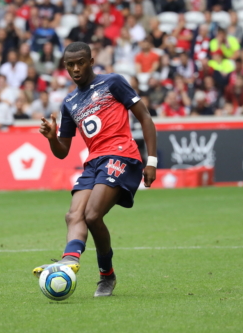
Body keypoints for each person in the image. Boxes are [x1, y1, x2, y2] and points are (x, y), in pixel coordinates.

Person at [34, 42, 157, 297]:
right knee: (73, 215)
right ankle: (68, 261)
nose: (75, 69)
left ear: (91, 61)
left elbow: (145, 117)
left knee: (91, 215)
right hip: (94, 162)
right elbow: (62, 151)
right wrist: (51, 138)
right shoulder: (69, 102)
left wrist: (152, 161)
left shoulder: (112, 82)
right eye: (70, 65)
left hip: (122, 155)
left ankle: (106, 276)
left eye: (80, 63)